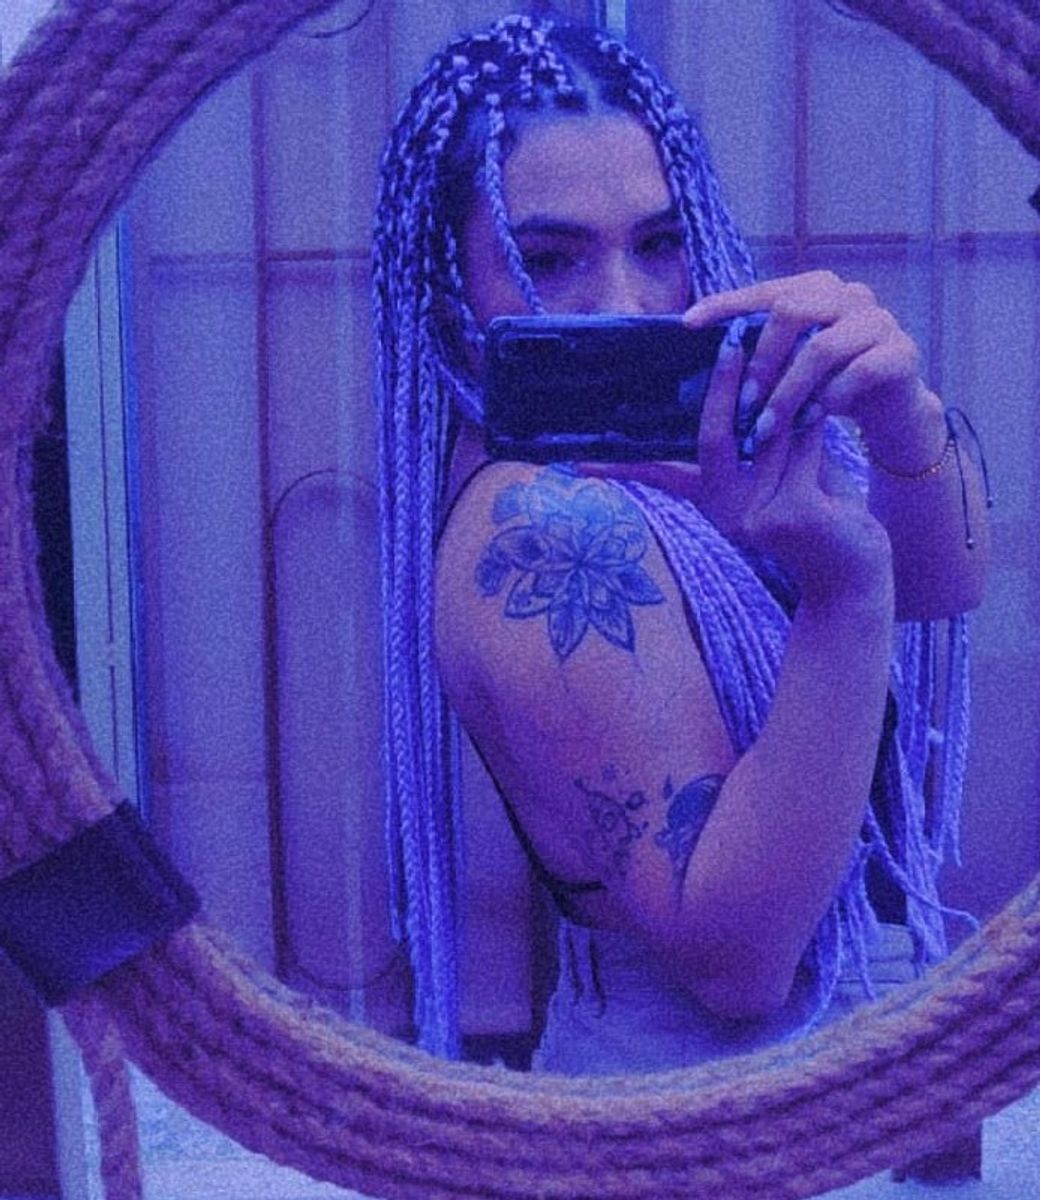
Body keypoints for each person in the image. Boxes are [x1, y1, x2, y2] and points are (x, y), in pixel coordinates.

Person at [372, 12, 990, 1072]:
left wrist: (899, 415)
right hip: (701, 1109)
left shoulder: (705, 451)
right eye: (548, 258)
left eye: (660, 243)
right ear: (445, 285)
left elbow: (938, 587)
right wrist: (841, 596)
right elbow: (736, 963)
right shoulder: (544, 527)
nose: (625, 303)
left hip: (822, 1069)